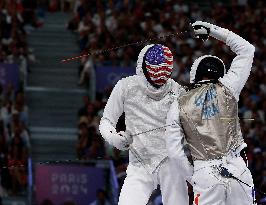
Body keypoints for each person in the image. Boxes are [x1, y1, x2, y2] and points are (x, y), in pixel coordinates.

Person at [165, 21, 256, 204]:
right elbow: (247, 49)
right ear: (220, 74)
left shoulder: (178, 103)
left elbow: (174, 153)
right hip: (237, 169)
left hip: (205, 173)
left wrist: (194, 176)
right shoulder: (229, 87)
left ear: (194, 74)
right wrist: (212, 30)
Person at [99, 44, 190, 205]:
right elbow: (106, 122)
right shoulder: (126, 87)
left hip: (171, 163)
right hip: (139, 163)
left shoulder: (179, 93)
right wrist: (115, 138)